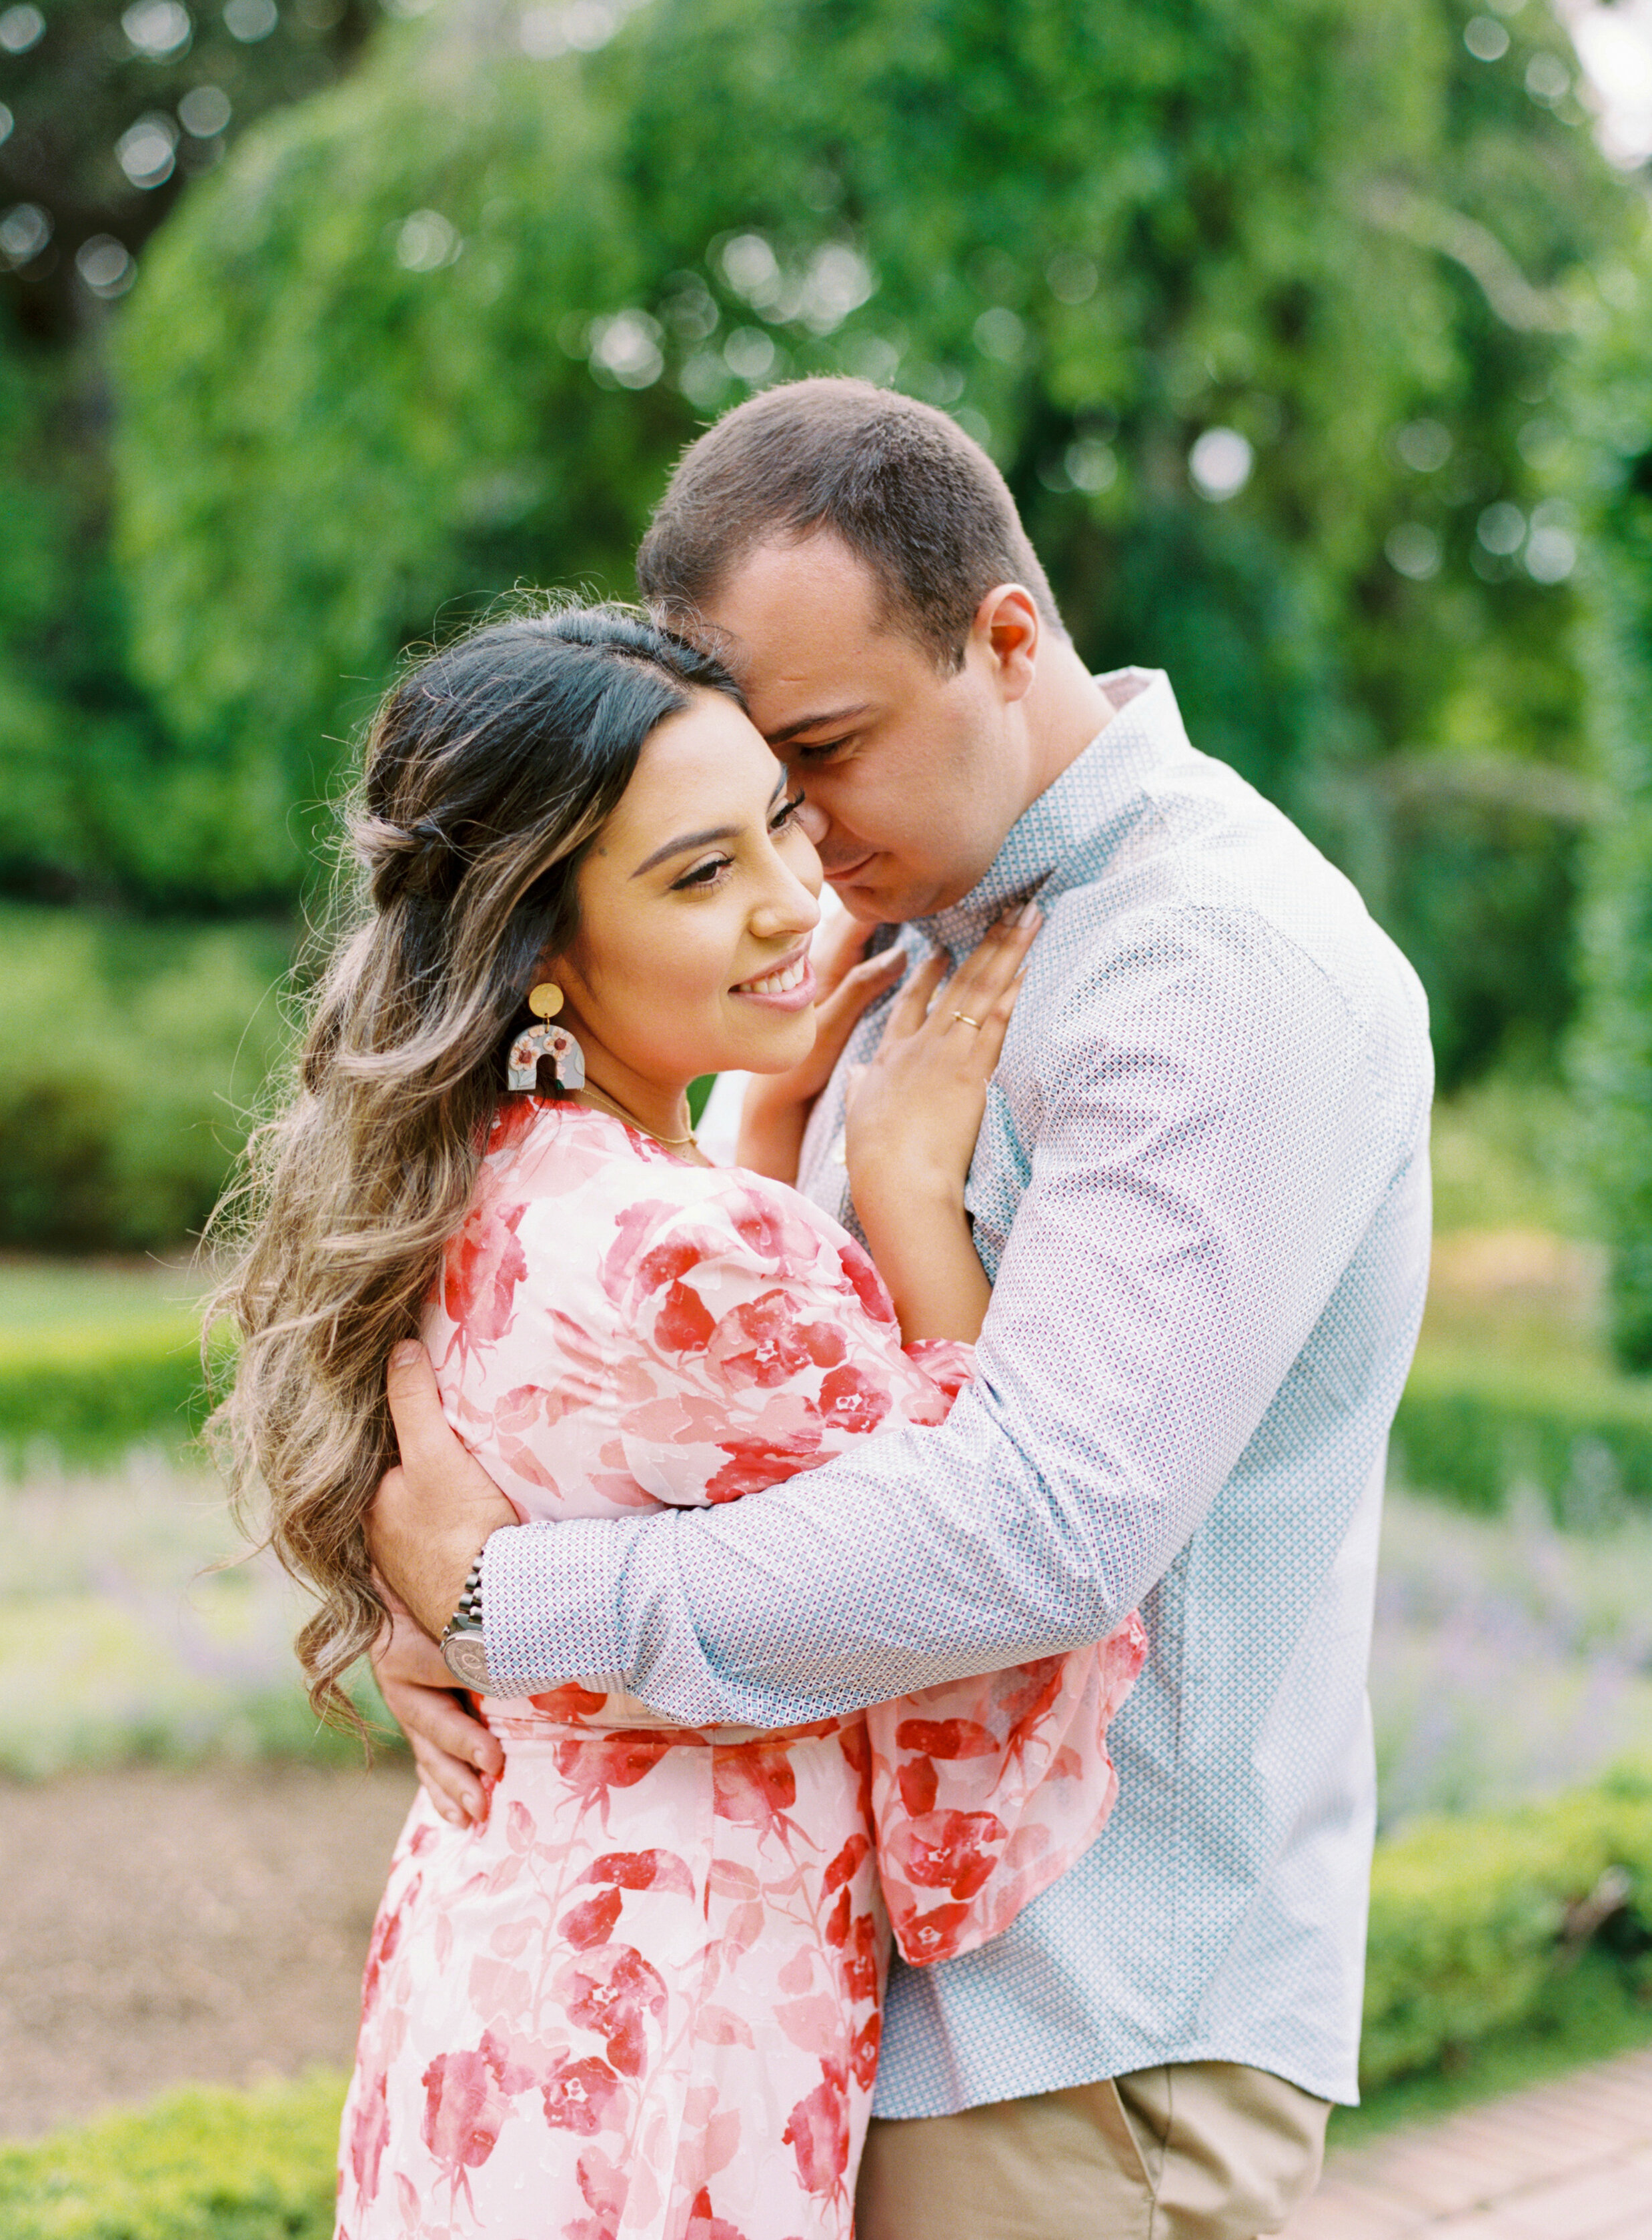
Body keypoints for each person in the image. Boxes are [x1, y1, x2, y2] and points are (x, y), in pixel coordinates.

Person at [369, 382, 1435, 2240]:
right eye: (745, 803)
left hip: (1077, 2040)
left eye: (826, 754)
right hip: (840, 2008)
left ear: (1005, 635)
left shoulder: (1209, 958)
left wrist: (509, 1599)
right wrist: (443, 1608)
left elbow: (1043, 1519)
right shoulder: (904, 944)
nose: (799, 845)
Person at [212, 602, 1146, 2238]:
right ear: (541, 948)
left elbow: (648, 1428)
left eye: (780, 821)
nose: (794, 899)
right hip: (680, 2000)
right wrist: (908, 1195)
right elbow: (987, 1573)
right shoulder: (696, 1248)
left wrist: (762, 1119)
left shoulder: (471, 1186)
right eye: (699, 872)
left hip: (494, 1960)